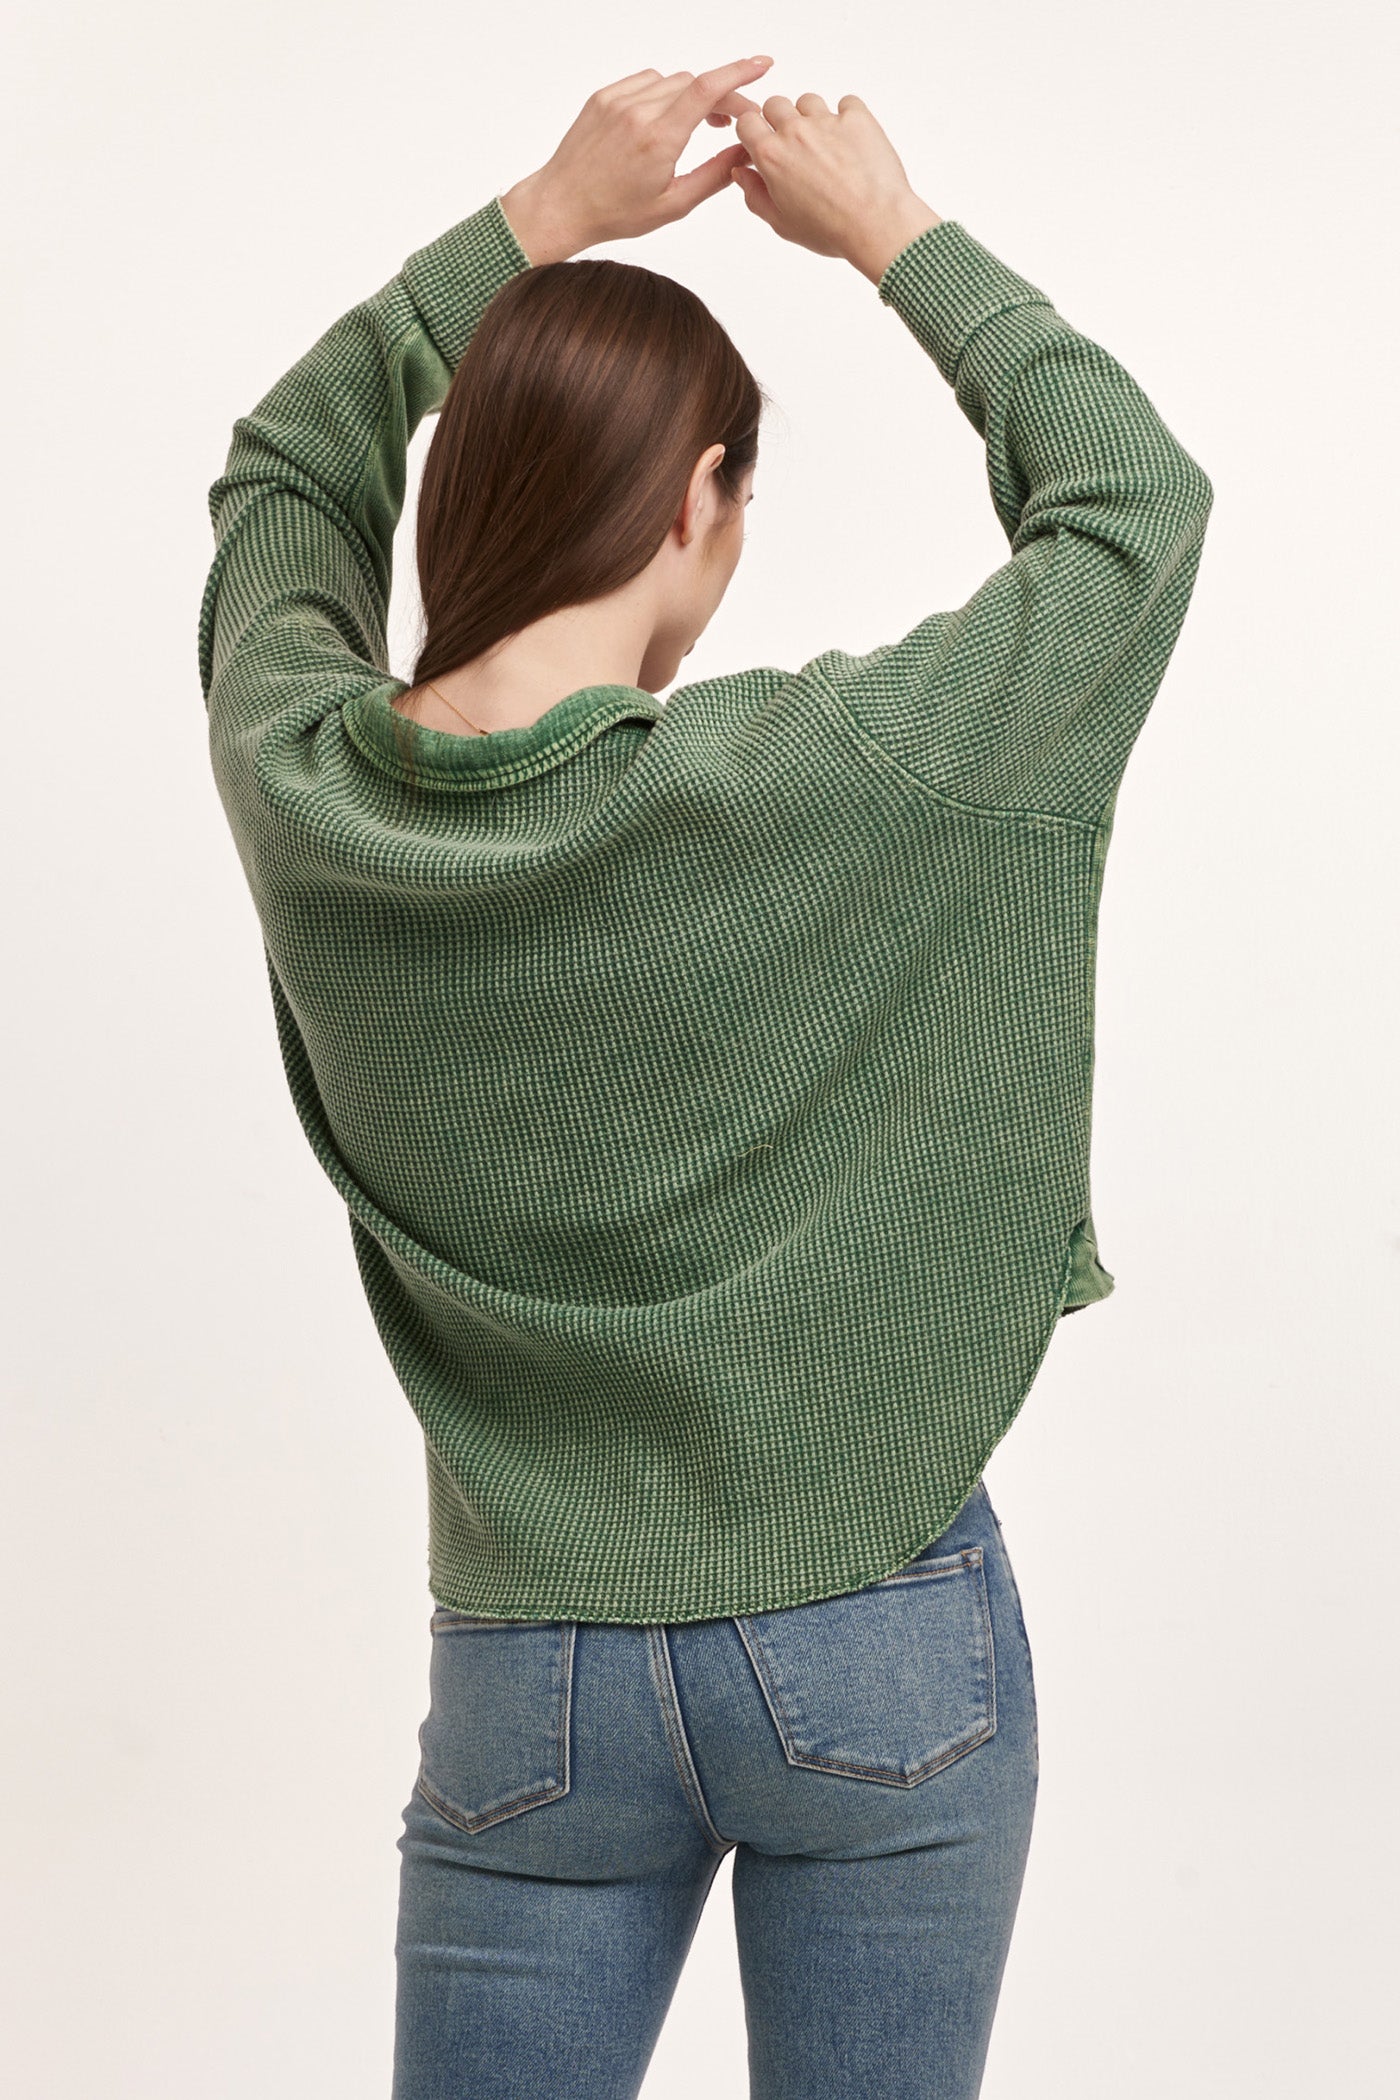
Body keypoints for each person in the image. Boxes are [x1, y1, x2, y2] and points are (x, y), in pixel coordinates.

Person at [198, 54, 1212, 2100]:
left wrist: (539, 221)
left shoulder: (307, 783)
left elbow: (287, 474)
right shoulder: (834, 770)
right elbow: (1131, 507)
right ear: (696, 501)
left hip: (532, 1678)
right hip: (880, 1631)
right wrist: (890, 233)